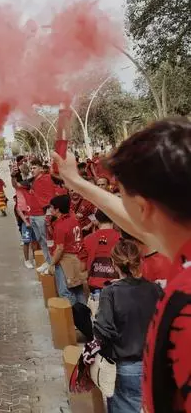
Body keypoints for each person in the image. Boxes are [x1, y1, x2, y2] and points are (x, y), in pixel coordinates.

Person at [52, 117, 191, 413]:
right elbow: (137, 222)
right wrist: (76, 181)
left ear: (144, 207)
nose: (119, 204)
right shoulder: (179, 245)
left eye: (121, 194)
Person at [93, 239, 163, 412]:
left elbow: (104, 331)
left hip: (126, 365)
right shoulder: (155, 290)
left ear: (114, 264)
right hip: (154, 364)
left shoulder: (110, 292)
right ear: (140, 261)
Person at [48, 195, 86, 305]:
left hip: (66, 262)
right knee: (78, 290)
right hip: (78, 258)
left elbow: (60, 249)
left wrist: (52, 263)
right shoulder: (74, 220)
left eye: (51, 207)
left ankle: (74, 318)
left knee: (65, 293)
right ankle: (85, 318)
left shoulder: (60, 225)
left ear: (57, 209)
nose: (50, 209)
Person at [82, 210, 121, 293]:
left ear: (97, 220)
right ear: (113, 219)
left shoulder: (87, 239)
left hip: (94, 284)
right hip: (117, 283)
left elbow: (82, 266)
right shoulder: (121, 238)